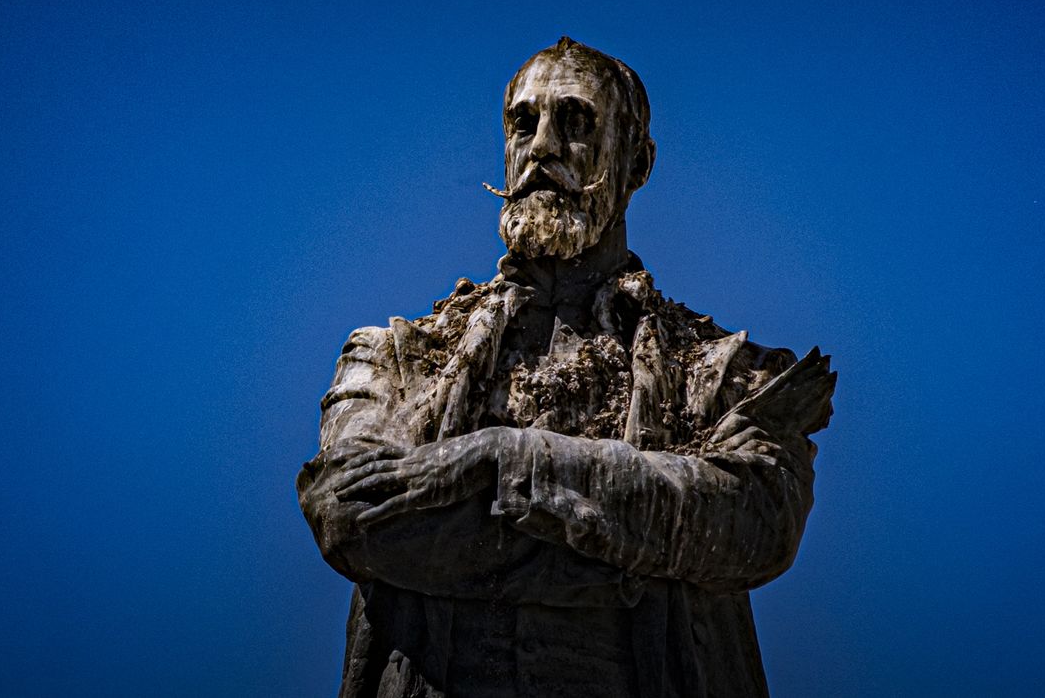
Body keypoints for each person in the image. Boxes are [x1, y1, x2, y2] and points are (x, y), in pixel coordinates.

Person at [297, 37, 835, 698]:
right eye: (524, 124)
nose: (543, 146)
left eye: (576, 123)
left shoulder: (726, 376)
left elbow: (755, 525)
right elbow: (350, 513)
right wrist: (638, 556)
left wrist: (503, 462)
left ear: (638, 162)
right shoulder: (395, 358)